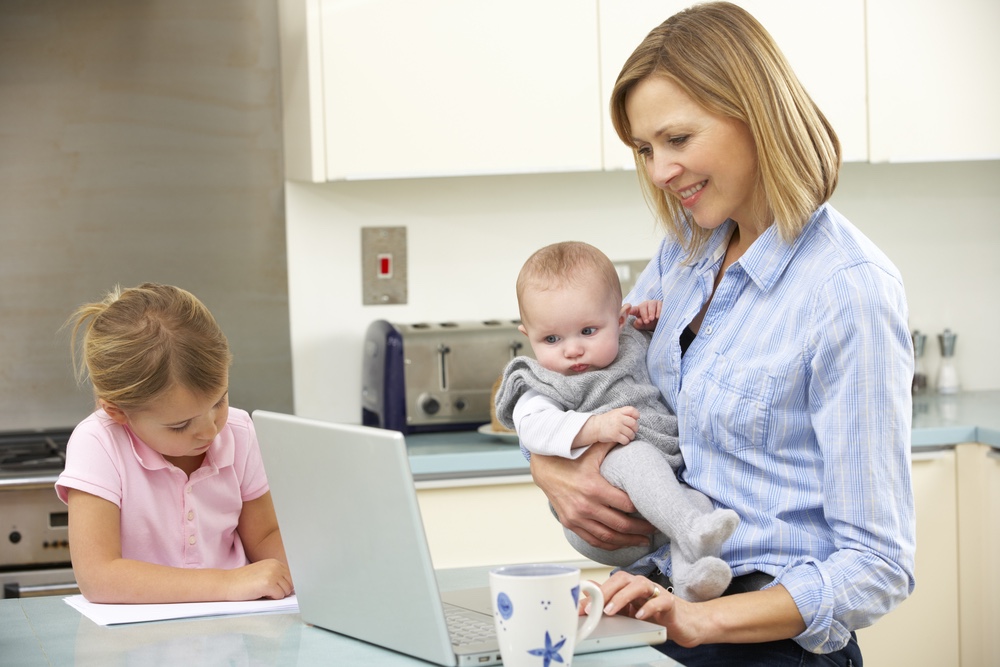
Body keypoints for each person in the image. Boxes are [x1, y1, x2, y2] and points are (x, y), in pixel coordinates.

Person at [528, 3, 916, 664]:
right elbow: (590, 380)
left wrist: (707, 621)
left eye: (677, 140)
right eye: (646, 149)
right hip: (661, 608)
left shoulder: (846, 290)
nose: (658, 171)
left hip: (766, 644)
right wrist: (550, 468)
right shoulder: (685, 252)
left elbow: (877, 564)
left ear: (754, 112)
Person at [494, 241, 738, 602]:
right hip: (604, 520)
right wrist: (593, 428)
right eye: (551, 338)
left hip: (660, 505)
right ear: (527, 337)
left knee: (699, 503)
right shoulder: (542, 382)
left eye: (588, 331)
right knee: (633, 455)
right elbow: (533, 428)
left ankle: (693, 584)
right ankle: (690, 531)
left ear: (621, 320)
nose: (572, 349)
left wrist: (655, 322)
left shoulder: (631, 343)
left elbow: (673, 353)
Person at [56, 283, 293, 604]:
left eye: (219, 402)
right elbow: (99, 577)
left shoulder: (238, 430)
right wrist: (227, 584)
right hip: (137, 643)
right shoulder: (98, 443)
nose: (210, 430)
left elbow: (264, 536)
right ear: (117, 411)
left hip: (237, 636)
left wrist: (312, 566)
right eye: (180, 425)